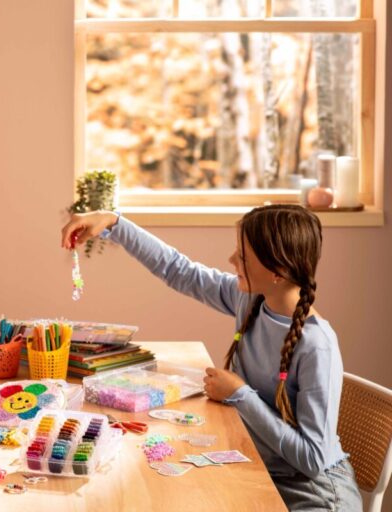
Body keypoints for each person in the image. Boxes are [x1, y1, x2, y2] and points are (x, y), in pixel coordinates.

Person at [61, 205, 361, 511]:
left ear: (278, 271)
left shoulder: (316, 346)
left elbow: (312, 459)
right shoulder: (252, 300)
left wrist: (241, 395)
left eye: (242, 256)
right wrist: (114, 222)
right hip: (259, 467)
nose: (232, 260)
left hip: (313, 492)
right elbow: (180, 271)